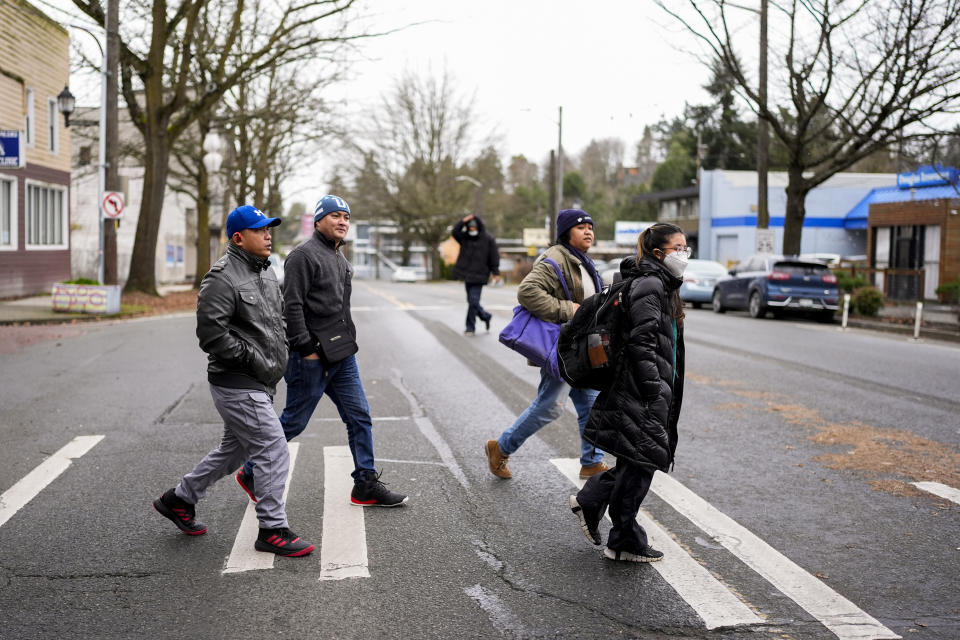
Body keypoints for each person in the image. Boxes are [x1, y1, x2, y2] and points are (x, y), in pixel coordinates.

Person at [153, 204, 314, 557]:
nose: (268, 235)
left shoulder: (267, 273)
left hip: (260, 381)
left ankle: (178, 499)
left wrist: (281, 352)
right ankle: (272, 529)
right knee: (273, 449)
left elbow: (276, 321)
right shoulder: (222, 277)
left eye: (269, 228)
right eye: (260, 230)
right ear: (239, 238)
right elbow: (211, 335)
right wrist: (255, 359)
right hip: (237, 381)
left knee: (234, 451)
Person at [235, 195, 408, 507]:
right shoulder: (303, 256)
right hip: (310, 357)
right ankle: (250, 472)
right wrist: (306, 348)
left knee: (360, 416)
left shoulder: (342, 261)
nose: (342, 221)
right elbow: (292, 305)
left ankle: (365, 483)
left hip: (341, 354)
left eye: (346, 217)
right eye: (334, 216)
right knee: (294, 421)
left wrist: (349, 341)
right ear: (318, 221)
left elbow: (341, 310)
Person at [569, 222, 688, 563]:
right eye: (678, 248)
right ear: (657, 252)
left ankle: (607, 521)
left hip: (641, 388)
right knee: (643, 460)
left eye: (686, 247)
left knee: (637, 460)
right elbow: (642, 342)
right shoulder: (652, 285)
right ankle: (620, 536)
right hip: (641, 389)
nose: (684, 254)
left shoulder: (660, 283)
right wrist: (655, 388)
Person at [485, 209, 609, 480]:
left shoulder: (582, 261)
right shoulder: (555, 258)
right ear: (566, 233)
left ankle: (591, 461)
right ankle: (501, 447)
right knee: (550, 406)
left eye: (590, 226)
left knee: (590, 403)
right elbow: (527, 292)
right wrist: (569, 309)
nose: (588, 231)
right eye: (581, 227)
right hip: (563, 347)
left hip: (581, 347)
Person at [451, 214, 501, 336]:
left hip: (480, 275)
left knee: (473, 301)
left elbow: (493, 256)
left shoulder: (488, 239)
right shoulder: (464, 238)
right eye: (470, 228)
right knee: (472, 302)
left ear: (478, 227)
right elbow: (454, 232)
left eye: (474, 228)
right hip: (467, 275)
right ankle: (486, 316)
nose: (472, 230)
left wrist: (495, 272)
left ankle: (470, 327)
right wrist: (463, 221)